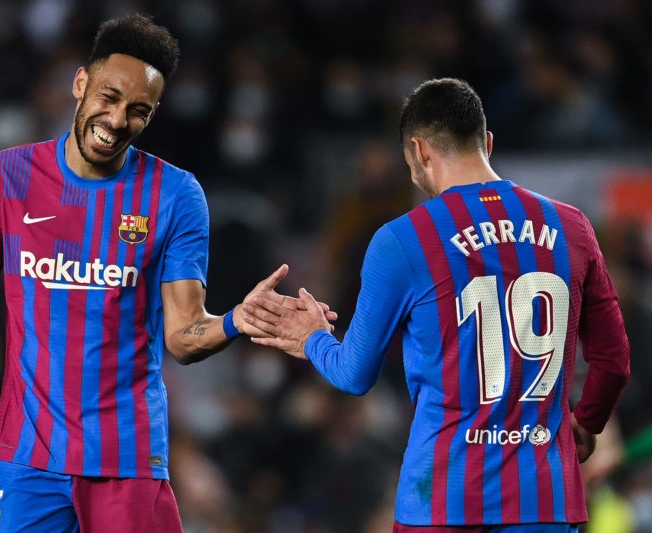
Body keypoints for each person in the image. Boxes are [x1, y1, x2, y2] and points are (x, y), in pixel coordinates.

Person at [0, 14, 335, 532]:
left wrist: (235, 322)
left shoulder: (175, 195)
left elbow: (182, 335)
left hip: (125, 462)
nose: (116, 120)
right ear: (80, 83)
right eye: (108, 97)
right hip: (26, 458)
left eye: (138, 111)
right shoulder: (5, 177)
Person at [243, 78, 631, 532]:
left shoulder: (402, 240)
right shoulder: (572, 227)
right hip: (543, 497)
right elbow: (614, 361)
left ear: (420, 151)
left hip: (443, 499)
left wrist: (312, 339)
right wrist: (587, 423)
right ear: (486, 142)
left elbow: (352, 375)